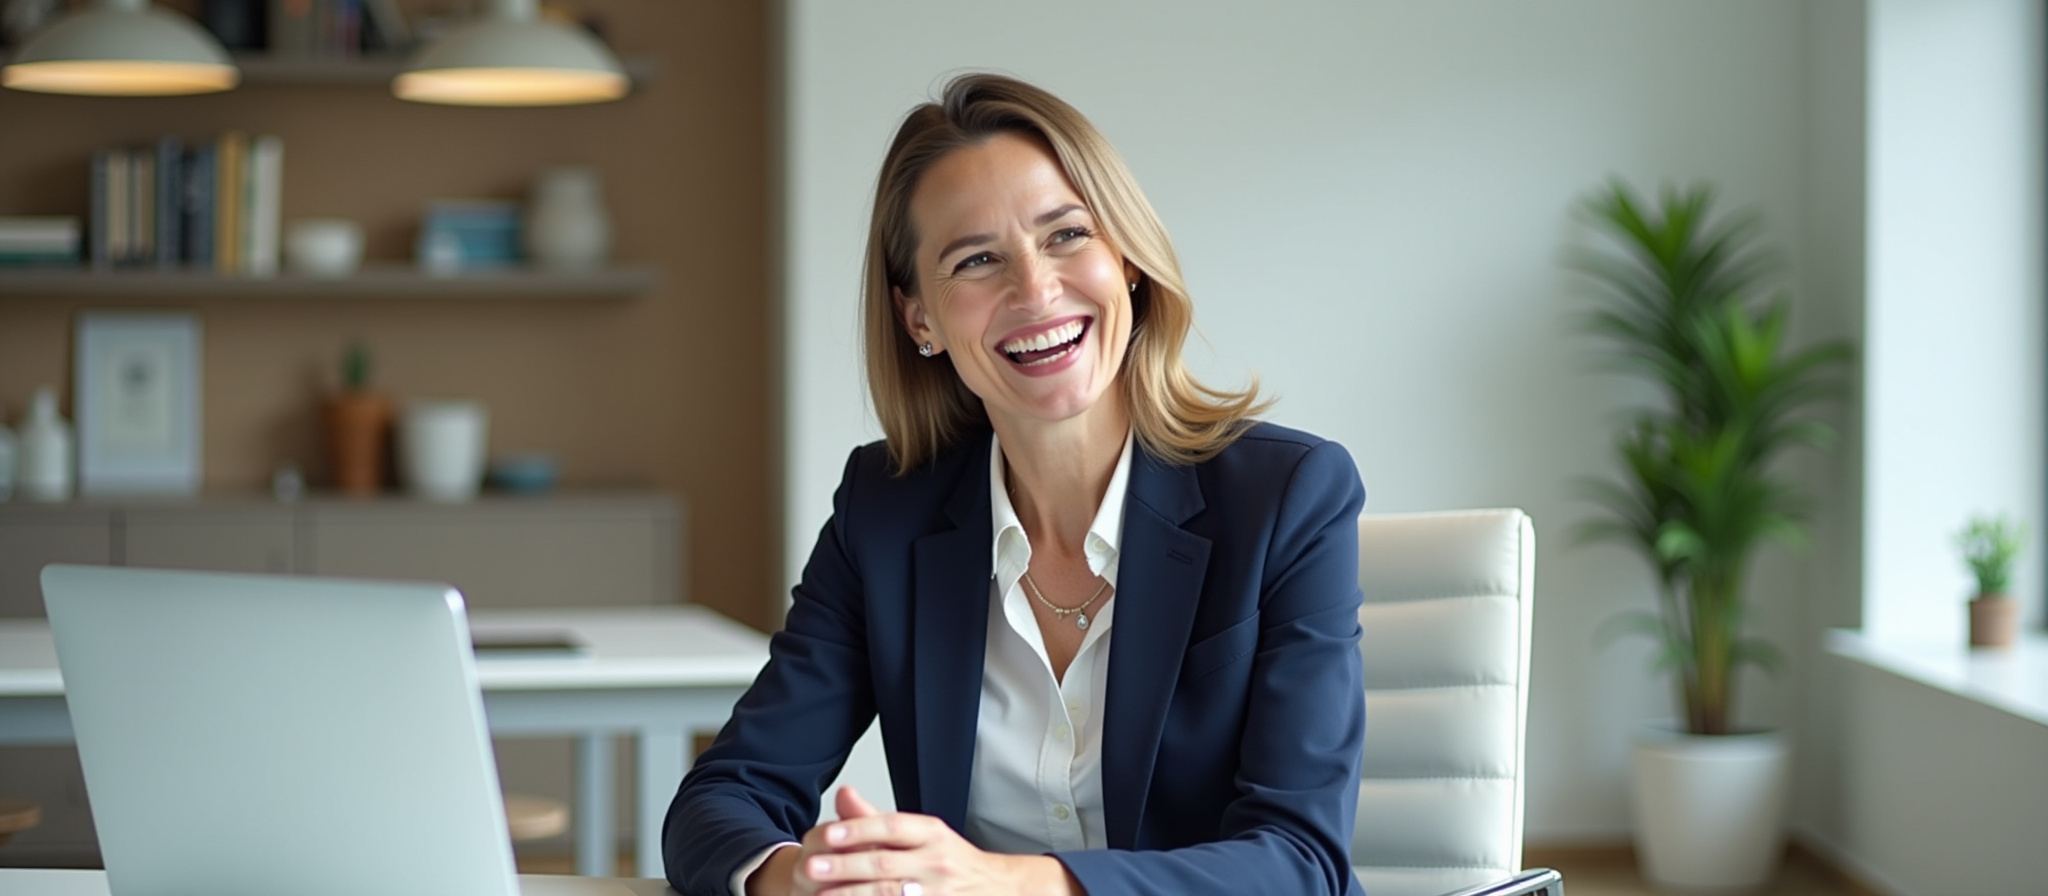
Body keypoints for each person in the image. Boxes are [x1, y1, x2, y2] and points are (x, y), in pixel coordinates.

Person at [664, 72, 1367, 896]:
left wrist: (1012, 882)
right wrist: (802, 877)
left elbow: (1301, 862)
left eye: (1067, 235)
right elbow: (723, 797)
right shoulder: (885, 514)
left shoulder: (1287, 497)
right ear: (919, 317)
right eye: (976, 260)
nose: (1034, 290)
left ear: (1127, 260)